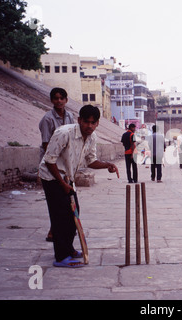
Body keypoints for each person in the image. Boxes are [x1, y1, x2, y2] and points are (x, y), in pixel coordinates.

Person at [39, 105, 119, 268]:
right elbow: (49, 160)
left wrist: (107, 165)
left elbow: (91, 161)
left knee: (73, 214)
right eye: (86, 122)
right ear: (79, 120)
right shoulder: (64, 133)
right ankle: (61, 257)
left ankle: (69, 249)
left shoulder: (91, 137)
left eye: (93, 123)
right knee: (60, 217)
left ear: (97, 124)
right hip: (51, 177)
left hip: (67, 178)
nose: (89, 126)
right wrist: (62, 184)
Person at [39, 87, 75, 242]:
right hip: (51, 163)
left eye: (62, 98)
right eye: (56, 98)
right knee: (55, 200)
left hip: (65, 162)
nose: (59, 101)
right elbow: (46, 144)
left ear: (66, 100)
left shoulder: (70, 116)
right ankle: (53, 231)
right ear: (52, 100)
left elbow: (72, 138)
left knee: (65, 200)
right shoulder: (47, 119)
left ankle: (59, 229)